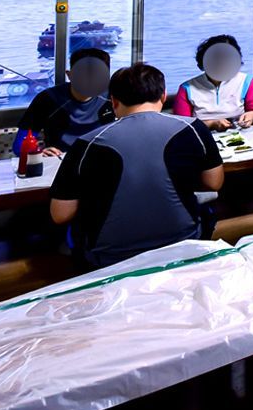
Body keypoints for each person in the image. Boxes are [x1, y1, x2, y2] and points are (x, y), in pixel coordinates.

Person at [49, 62, 224, 268]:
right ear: (163, 96)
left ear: (113, 101)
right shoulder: (193, 128)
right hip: (184, 241)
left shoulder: (87, 143)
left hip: (109, 257)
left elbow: (60, 214)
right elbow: (214, 183)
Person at [18, 46, 115, 157]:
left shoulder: (113, 96)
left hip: (101, 157)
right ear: (70, 75)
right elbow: (19, 145)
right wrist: (39, 151)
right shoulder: (48, 99)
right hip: (59, 159)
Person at [170, 34, 253, 130]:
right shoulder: (187, 88)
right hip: (203, 135)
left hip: (240, 134)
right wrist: (211, 124)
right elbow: (182, 125)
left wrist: (252, 115)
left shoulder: (247, 81)